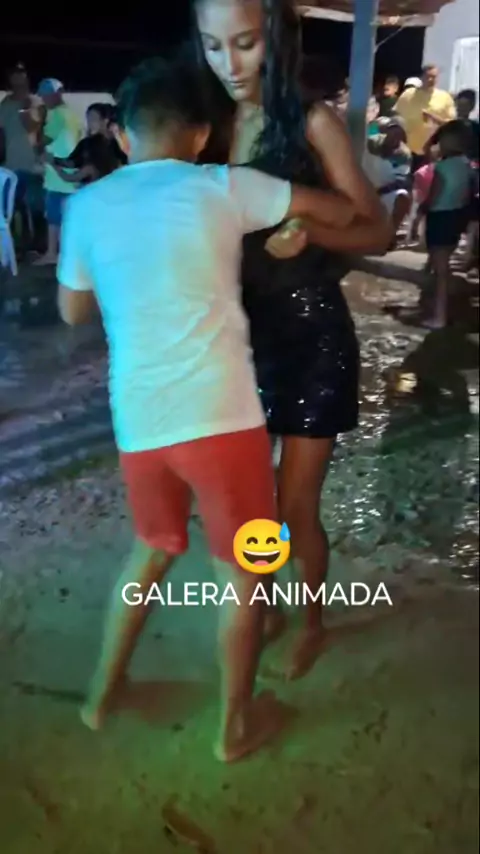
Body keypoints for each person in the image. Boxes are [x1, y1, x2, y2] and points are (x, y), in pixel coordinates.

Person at [57, 56, 356, 762]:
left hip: (142, 425)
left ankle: (101, 694)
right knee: (245, 572)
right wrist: (296, 228)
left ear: (123, 136)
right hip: (223, 422)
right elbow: (340, 210)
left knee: (151, 551)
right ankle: (233, 727)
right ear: (198, 136)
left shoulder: (87, 206)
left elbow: (73, 311)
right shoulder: (223, 185)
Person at [193, 0, 392, 679]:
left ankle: (311, 623)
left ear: (276, 38)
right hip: (237, 343)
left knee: (294, 505)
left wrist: (313, 233)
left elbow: (378, 230)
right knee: (252, 505)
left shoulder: (312, 122)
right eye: (212, 46)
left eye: (245, 43)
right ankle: (269, 605)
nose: (228, 64)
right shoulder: (206, 126)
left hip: (311, 339)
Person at [422, 123, 474, 328]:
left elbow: (434, 196)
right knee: (442, 266)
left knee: (441, 272)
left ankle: (439, 316)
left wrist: (424, 206)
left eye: (442, 139)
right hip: (456, 217)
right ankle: (436, 308)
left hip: (439, 218)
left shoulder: (442, 167)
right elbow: (466, 195)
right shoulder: (466, 165)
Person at [34, 78, 82, 265]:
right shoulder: (72, 114)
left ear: (57, 94)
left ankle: (52, 254)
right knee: (66, 220)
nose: (43, 100)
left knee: (54, 219)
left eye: (46, 96)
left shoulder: (56, 115)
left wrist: (39, 122)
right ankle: (61, 255)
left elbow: (42, 142)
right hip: (70, 174)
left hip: (57, 177)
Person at [0, 63, 44, 237]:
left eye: (21, 74)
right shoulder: (5, 103)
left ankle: (39, 243)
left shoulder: (36, 102)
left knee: (34, 206)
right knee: (10, 206)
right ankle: (15, 243)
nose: (18, 78)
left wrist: (25, 107)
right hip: (10, 164)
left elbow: (33, 127)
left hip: (32, 164)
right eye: (14, 74)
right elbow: (1, 132)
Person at [396, 64, 456, 173]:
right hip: (407, 150)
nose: (430, 79)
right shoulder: (408, 95)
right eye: (427, 76)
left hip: (431, 152)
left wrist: (434, 118)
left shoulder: (445, 97)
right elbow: (396, 116)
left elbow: (451, 124)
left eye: (434, 77)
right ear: (421, 77)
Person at [366, 116, 412, 236]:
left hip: (386, 191)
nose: (394, 134)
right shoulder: (374, 142)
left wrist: (379, 191)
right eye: (392, 130)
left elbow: (400, 181)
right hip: (365, 185)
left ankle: (390, 234)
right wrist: (373, 122)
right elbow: (368, 132)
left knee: (403, 197)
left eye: (398, 132)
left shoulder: (403, 154)